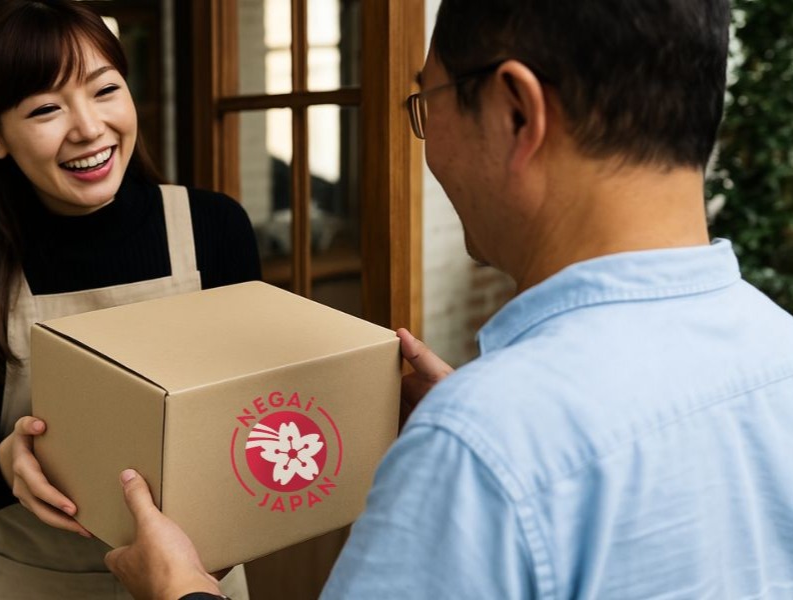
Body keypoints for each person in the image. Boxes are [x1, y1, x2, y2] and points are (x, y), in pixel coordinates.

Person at [105, 0, 793, 597]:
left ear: (515, 111)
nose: (428, 145)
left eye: (425, 103)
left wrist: (183, 593)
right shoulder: (777, 348)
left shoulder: (481, 445)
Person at [0, 1, 258, 598]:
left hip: (200, 580)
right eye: (46, 108)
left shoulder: (214, 227)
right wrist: (5, 463)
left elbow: (255, 415)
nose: (89, 127)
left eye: (105, 90)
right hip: (36, 582)